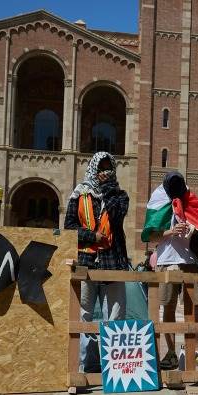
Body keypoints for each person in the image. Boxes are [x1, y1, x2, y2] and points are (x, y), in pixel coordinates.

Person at [142, 171, 198, 369]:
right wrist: (170, 231)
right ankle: (171, 352)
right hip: (167, 261)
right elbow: (150, 236)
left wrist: (193, 229)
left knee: (195, 306)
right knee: (167, 306)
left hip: (191, 261)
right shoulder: (157, 201)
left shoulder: (191, 199)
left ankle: (195, 349)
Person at [64, 151, 130, 372]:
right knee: (84, 314)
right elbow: (69, 228)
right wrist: (92, 237)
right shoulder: (79, 195)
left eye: (108, 168)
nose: (105, 172)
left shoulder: (120, 196)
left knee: (116, 313)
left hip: (113, 261)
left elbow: (116, 216)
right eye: (101, 168)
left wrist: (108, 188)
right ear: (93, 168)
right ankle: (85, 365)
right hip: (87, 261)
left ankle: (114, 367)